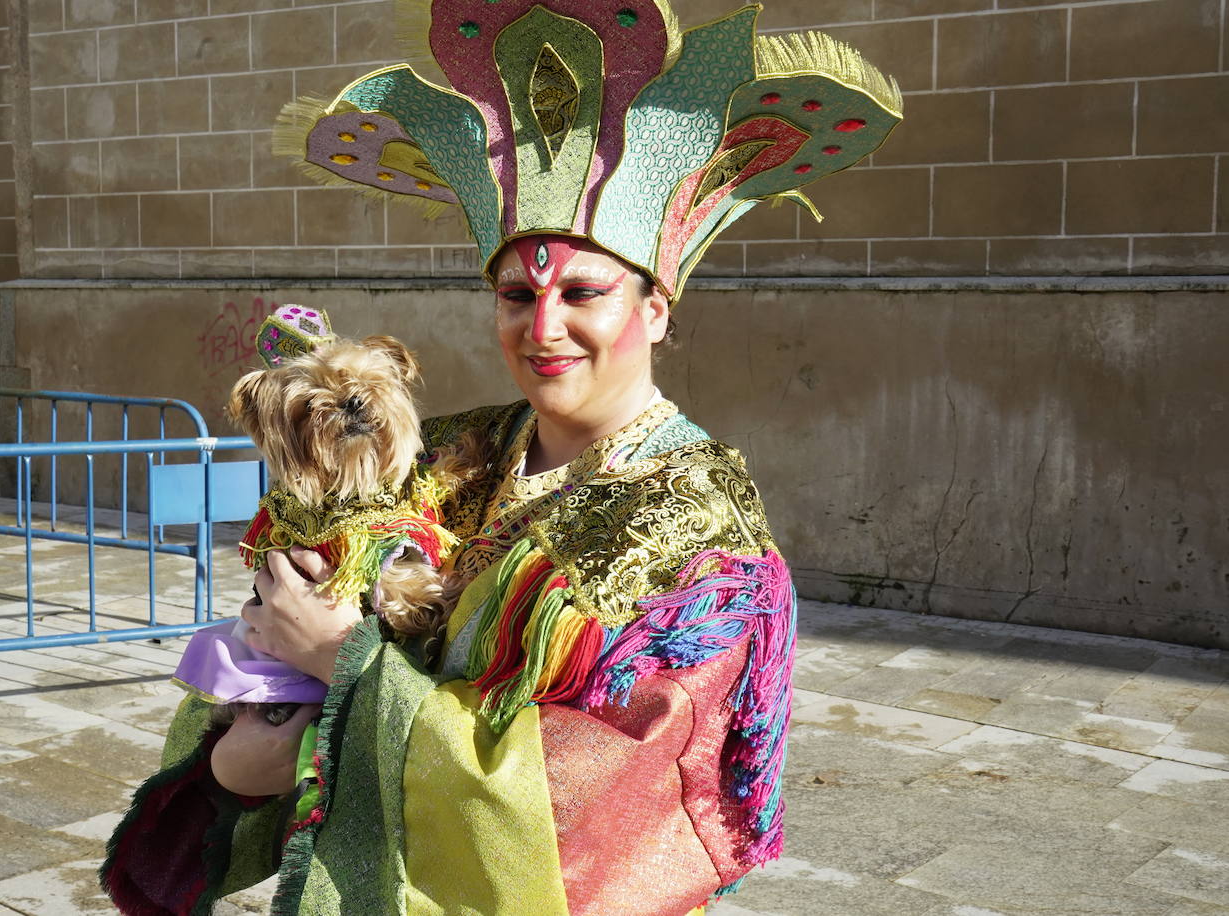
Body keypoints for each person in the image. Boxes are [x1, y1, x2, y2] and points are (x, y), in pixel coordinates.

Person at [101, 2, 900, 913]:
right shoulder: (441, 454)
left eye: (585, 293)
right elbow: (283, 622)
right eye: (517, 294)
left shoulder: (706, 547)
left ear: (656, 310)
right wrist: (232, 759)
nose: (544, 327)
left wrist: (344, 668)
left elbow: (587, 822)